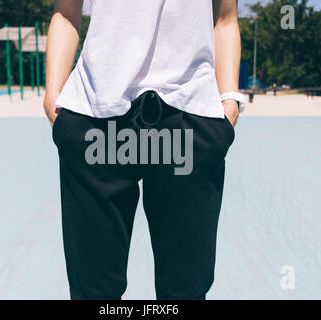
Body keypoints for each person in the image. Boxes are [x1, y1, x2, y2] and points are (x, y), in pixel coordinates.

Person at [43, 0, 245, 300]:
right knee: (93, 293)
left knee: (185, 292)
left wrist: (229, 99)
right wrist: (53, 97)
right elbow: (66, 13)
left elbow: (225, 18)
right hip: (96, 117)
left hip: (189, 117)